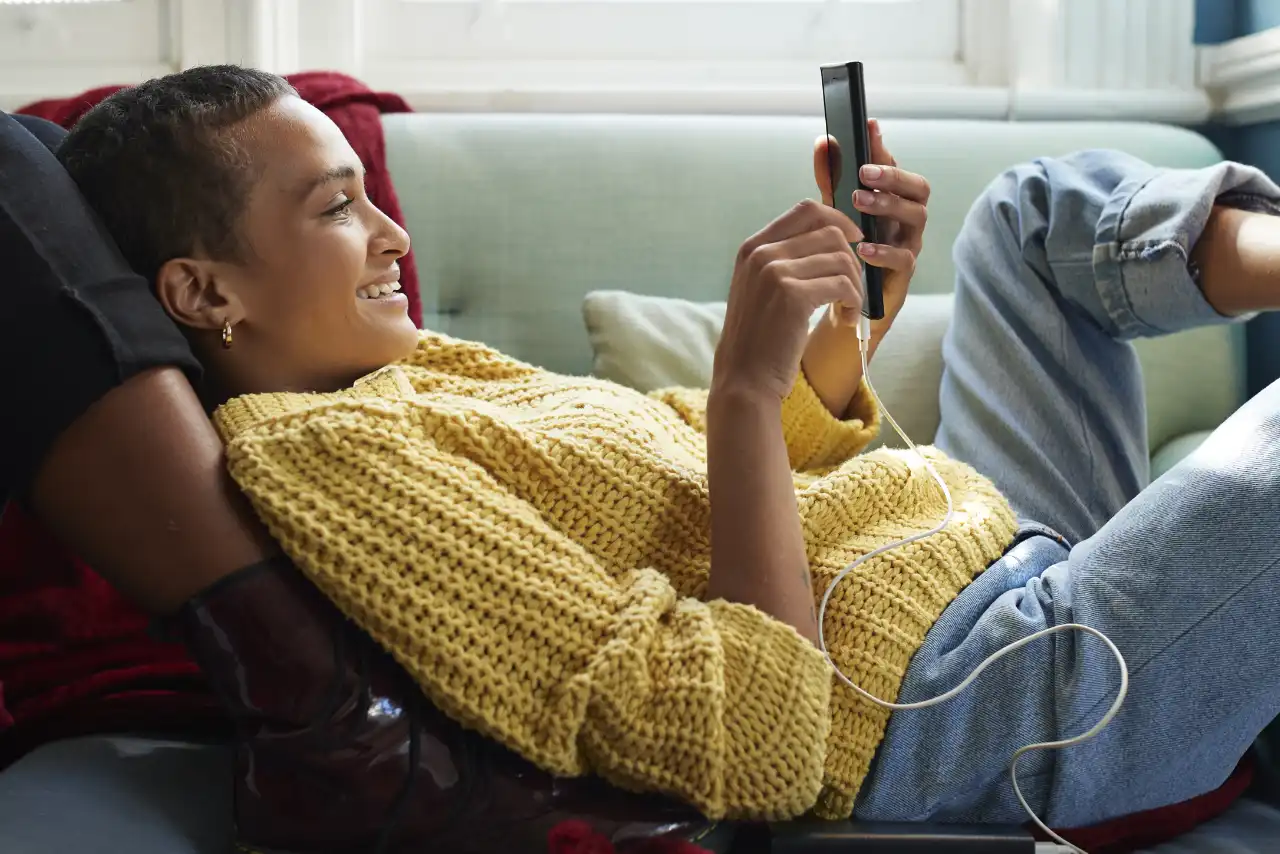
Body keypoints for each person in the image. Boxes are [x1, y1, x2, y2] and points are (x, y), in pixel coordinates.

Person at [16, 60, 1280, 851]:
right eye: (336, 205)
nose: (393, 229)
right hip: (986, 705)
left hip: (984, 559)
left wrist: (839, 326)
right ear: (201, 290)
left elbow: (746, 482)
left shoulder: (409, 373)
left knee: (1024, 212)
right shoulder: (325, 456)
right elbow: (754, 741)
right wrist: (737, 388)